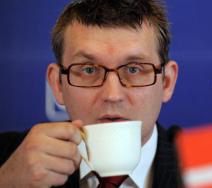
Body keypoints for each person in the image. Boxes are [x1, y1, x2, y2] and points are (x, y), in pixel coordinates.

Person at [0, 0, 183, 187]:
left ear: (166, 82)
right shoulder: (7, 162)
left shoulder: (206, 168)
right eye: (88, 70)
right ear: (58, 84)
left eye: (134, 69)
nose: (112, 95)